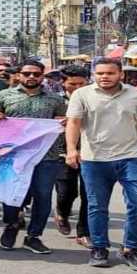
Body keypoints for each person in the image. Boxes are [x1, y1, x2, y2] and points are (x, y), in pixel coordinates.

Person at [65, 58, 137, 272]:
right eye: (100, 73)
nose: (104, 77)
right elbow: (73, 123)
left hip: (131, 157)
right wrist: (72, 149)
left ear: (121, 74)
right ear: (94, 74)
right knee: (96, 206)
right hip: (94, 160)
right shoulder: (81, 94)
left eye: (110, 73)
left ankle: (131, 249)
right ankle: (99, 248)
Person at [0, 59, 66, 255]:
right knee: (11, 193)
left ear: (42, 76)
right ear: (19, 75)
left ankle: (34, 236)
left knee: (43, 197)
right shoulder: (4, 96)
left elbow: (61, 126)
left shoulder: (55, 99)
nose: (31, 77)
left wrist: (63, 125)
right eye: (27, 73)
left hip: (46, 156)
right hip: (13, 155)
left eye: (36, 74)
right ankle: (11, 226)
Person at [55, 66, 91, 247]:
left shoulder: (94, 98)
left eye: (81, 83)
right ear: (63, 83)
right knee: (67, 191)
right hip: (61, 151)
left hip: (91, 151)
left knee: (89, 194)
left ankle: (84, 232)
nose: (77, 87)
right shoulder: (54, 100)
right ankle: (62, 212)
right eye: (72, 84)